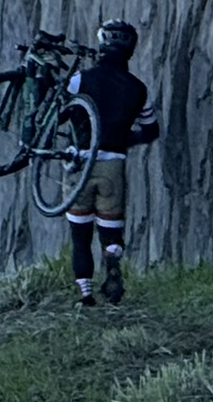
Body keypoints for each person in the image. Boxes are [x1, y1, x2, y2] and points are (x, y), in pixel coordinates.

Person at [67, 20, 160, 305]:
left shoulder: (81, 79)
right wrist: (124, 140)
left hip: (79, 162)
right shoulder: (138, 89)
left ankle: (85, 295)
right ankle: (112, 256)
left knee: (79, 234)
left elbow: (61, 112)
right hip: (113, 165)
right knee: (111, 230)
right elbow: (151, 130)